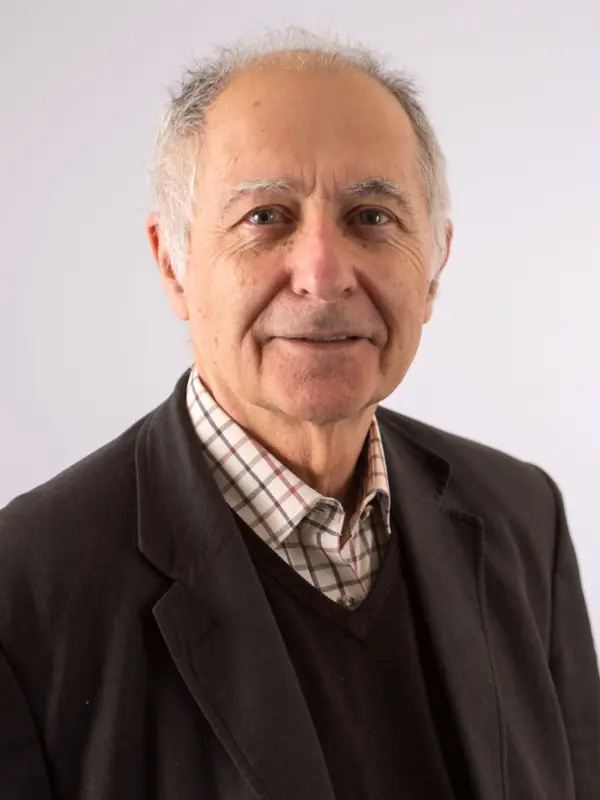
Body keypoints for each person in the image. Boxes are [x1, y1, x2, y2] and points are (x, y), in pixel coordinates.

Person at [1, 28, 598, 800]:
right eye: (265, 217)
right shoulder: (25, 591)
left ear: (435, 266)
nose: (322, 273)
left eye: (372, 216)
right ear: (172, 263)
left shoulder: (523, 519)